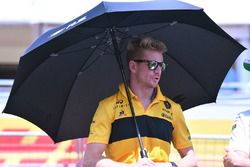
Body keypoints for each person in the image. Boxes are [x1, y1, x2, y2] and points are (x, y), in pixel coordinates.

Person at [82, 36, 197, 167]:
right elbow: (90, 161)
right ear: (133, 66)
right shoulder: (108, 106)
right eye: (152, 64)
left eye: (161, 65)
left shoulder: (173, 108)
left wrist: (164, 166)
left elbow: (191, 159)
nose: (158, 70)